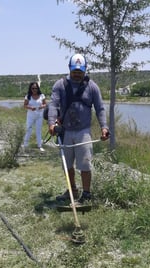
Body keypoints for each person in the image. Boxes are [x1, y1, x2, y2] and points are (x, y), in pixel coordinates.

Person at [47, 53, 109, 203]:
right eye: (74, 71)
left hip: (83, 132)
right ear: (69, 69)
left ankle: (86, 194)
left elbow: (100, 108)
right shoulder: (60, 85)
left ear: (85, 70)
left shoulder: (92, 87)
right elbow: (53, 105)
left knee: (85, 164)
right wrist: (51, 123)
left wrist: (104, 127)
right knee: (67, 164)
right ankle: (72, 190)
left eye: (80, 72)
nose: (77, 75)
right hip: (65, 131)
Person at [23, 82, 47, 152]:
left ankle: (39, 146)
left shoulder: (42, 95)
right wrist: (30, 108)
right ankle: (25, 145)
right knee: (28, 130)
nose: (34, 89)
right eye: (33, 88)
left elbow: (45, 104)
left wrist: (42, 106)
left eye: (36, 88)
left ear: (38, 88)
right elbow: (25, 105)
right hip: (30, 116)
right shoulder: (28, 96)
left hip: (39, 116)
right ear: (30, 89)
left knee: (38, 131)